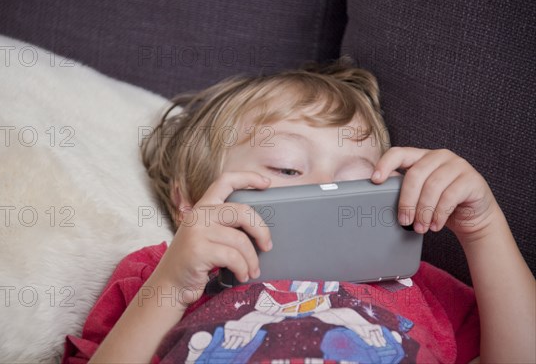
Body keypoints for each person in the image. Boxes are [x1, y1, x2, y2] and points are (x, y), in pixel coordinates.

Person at [63, 57, 535, 363]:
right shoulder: (161, 274)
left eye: (355, 180)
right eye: (288, 169)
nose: (324, 189)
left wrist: (483, 228)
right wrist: (172, 283)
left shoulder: (412, 280)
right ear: (189, 201)